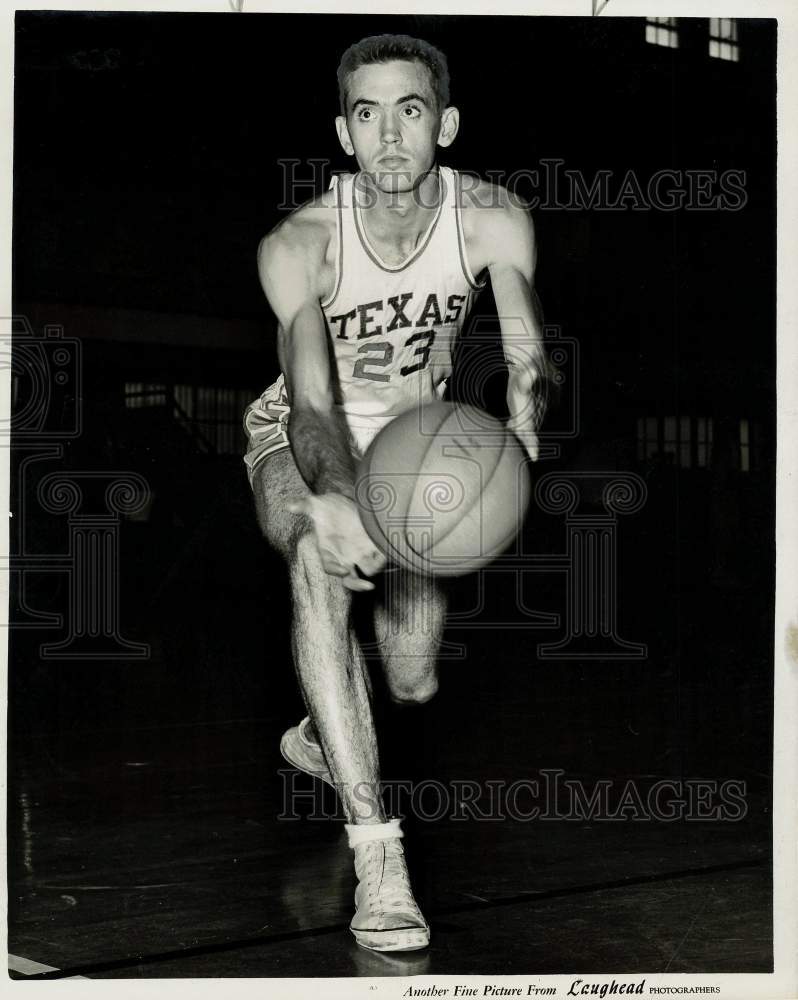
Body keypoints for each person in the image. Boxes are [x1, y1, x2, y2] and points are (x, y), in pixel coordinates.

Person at [243, 33, 550, 953]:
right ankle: (380, 858)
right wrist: (335, 500)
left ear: (444, 123)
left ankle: (320, 729)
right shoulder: (299, 243)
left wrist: (526, 409)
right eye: (366, 114)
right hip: (304, 438)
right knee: (316, 558)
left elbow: (526, 344)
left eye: (409, 110)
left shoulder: (492, 217)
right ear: (343, 133)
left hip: (415, 451)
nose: (388, 135)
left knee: (412, 678)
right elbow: (308, 403)